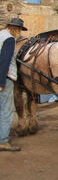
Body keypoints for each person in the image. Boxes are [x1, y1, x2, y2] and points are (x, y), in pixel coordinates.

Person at [0, 18, 27, 151]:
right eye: (19, 30)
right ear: (15, 29)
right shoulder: (9, 39)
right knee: (6, 110)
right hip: (5, 78)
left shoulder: (0, 35)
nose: (19, 34)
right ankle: (3, 141)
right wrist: (1, 82)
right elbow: (4, 61)